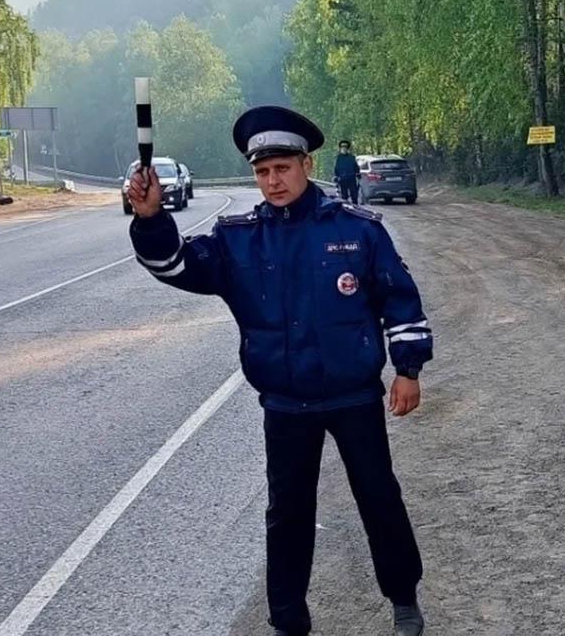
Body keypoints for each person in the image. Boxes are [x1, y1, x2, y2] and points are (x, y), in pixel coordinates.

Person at [126, 106, 431, 636]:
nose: (273, 181)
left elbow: (399, 299)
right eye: (262, 171)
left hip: (354, 396)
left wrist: (408, 368)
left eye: (283, 168)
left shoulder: (356, 230)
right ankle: (288, 620)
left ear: (307, 165)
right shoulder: (238, 238)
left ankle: (403, 598)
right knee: (287, 514)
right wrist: (151, 220)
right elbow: (174, 265)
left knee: (379, 498)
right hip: (287, 404)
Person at [333, 139, 360, 204]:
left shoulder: (352, 157)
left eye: (345, 147)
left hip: (351, 179)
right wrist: (336, 177)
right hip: (342, 180)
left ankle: (355, 207)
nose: (344, 148)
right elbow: (336, 169)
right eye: (342, 147)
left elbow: (356, 167)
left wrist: (358, 174)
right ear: (340, 148)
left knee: (354, 196)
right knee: (344, 197)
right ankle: (345, 208)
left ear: (347, 148)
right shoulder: (338, 158)